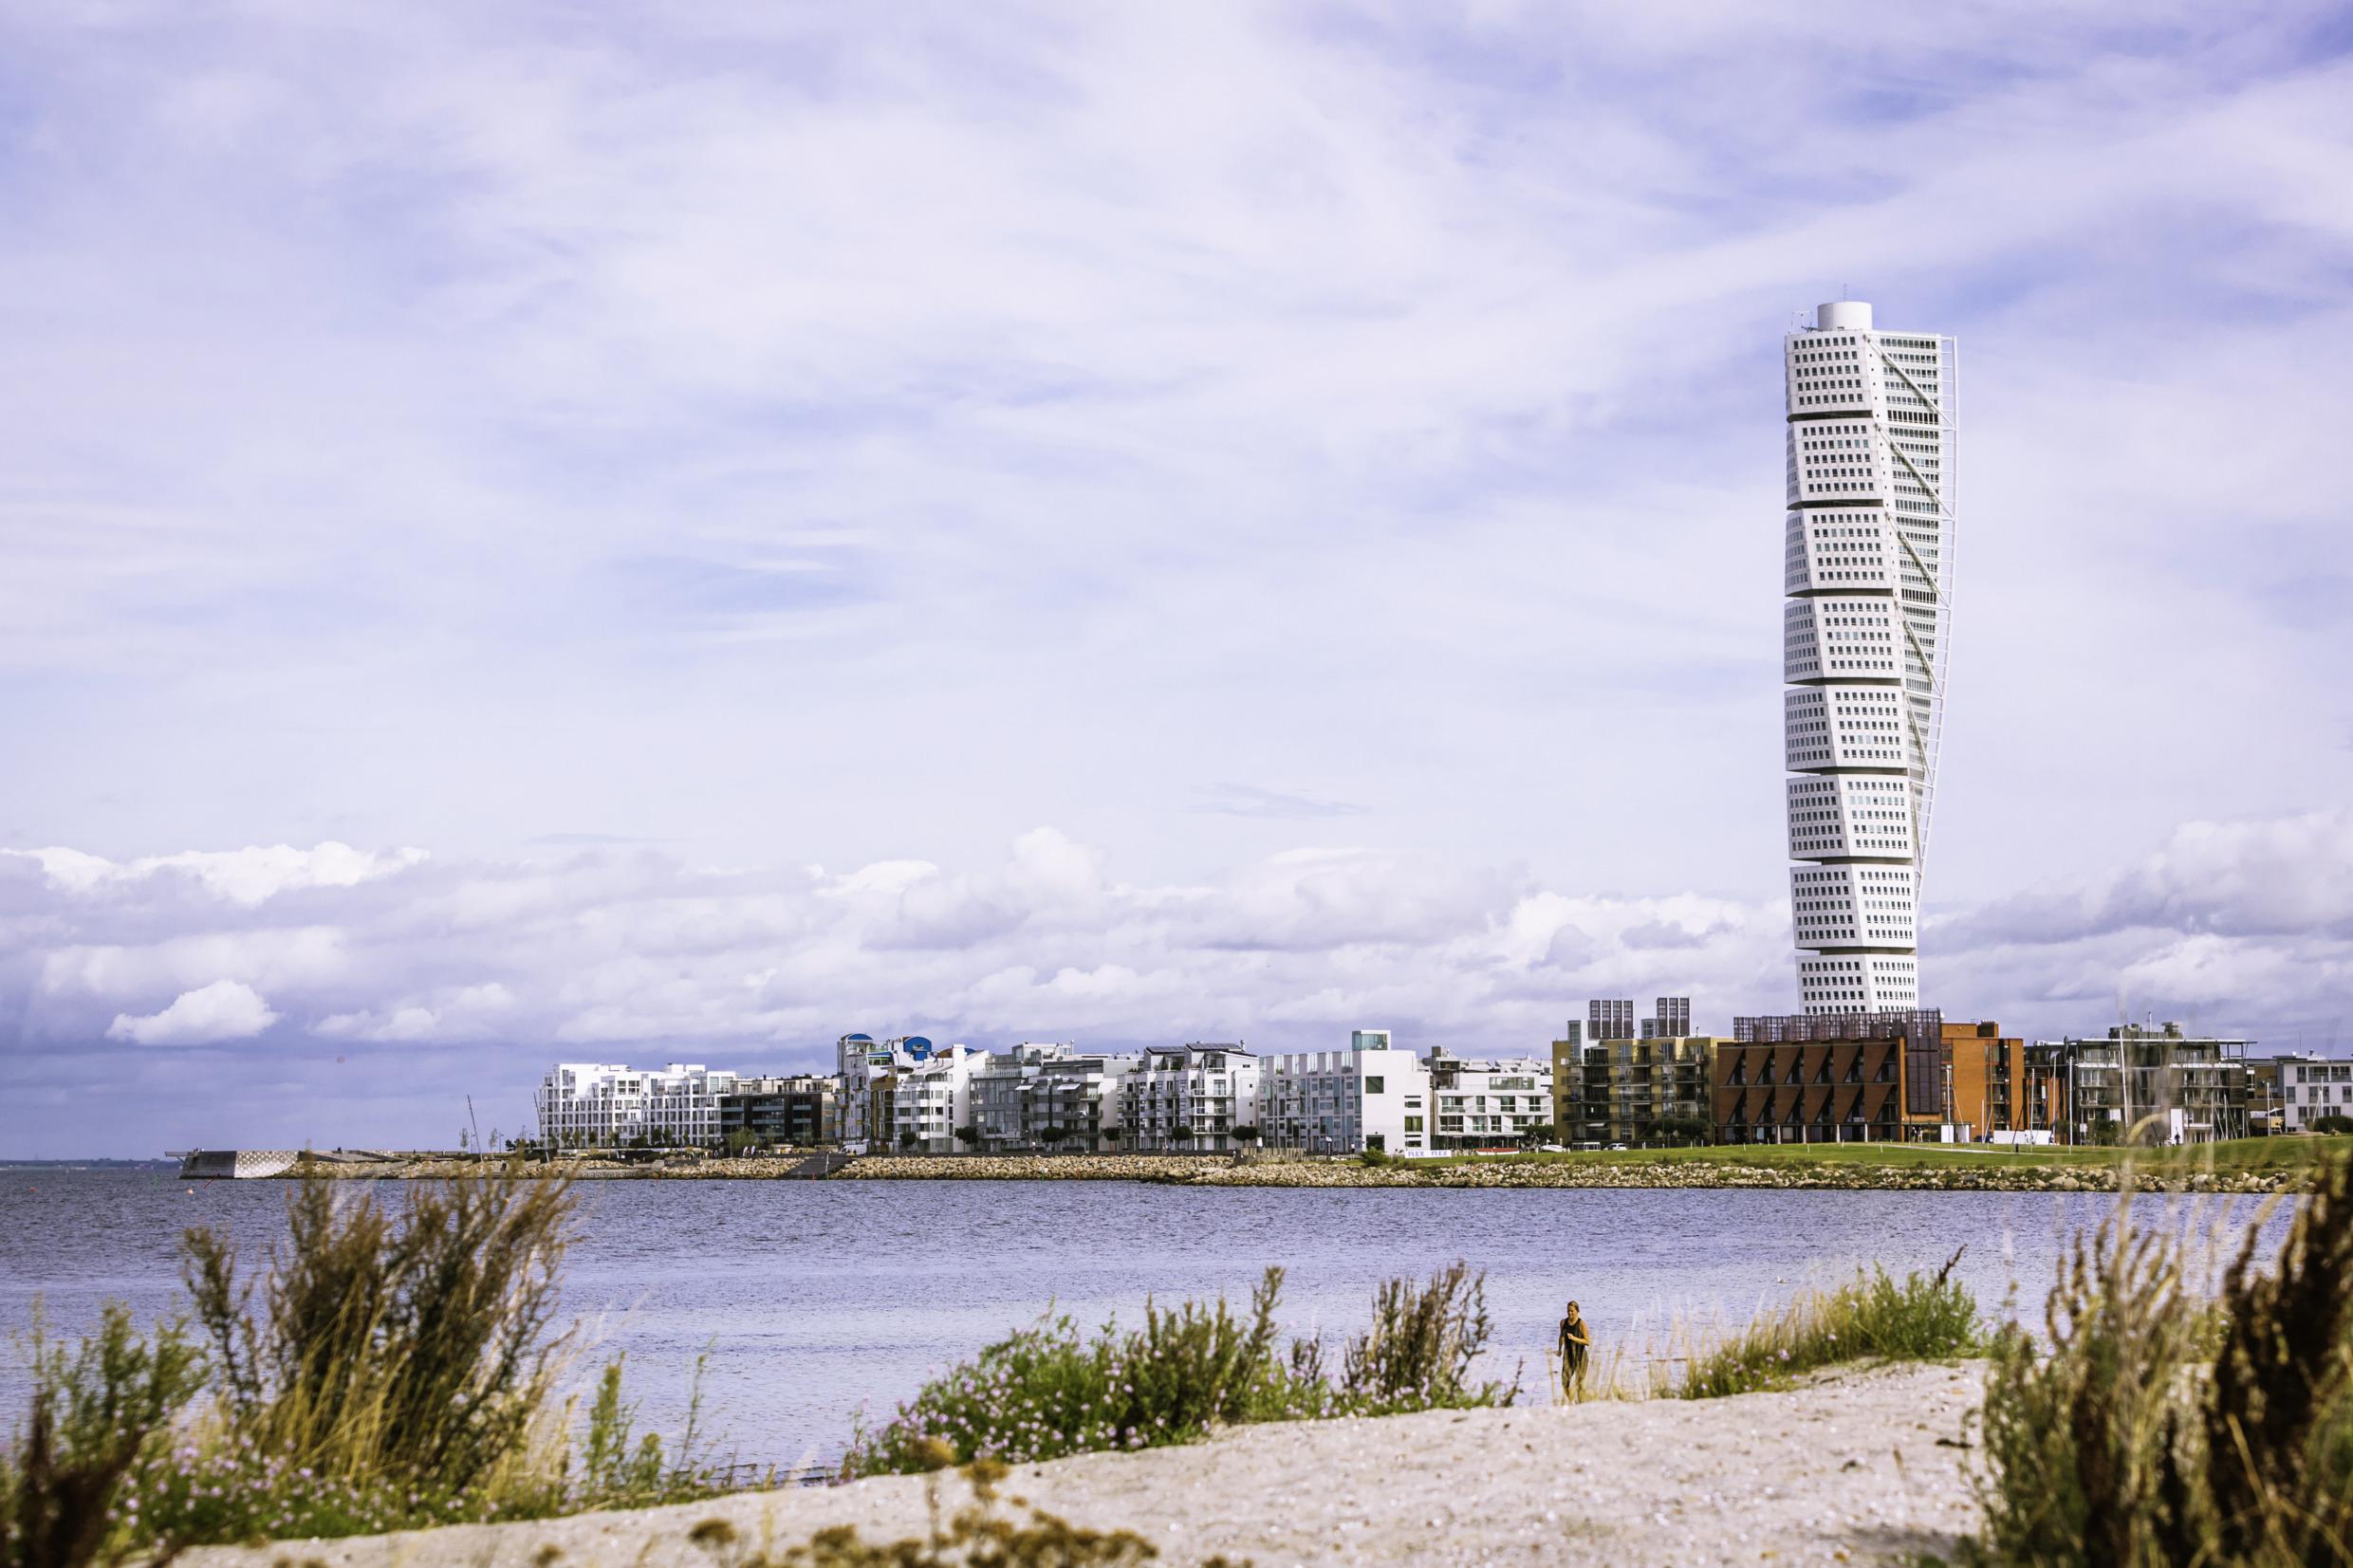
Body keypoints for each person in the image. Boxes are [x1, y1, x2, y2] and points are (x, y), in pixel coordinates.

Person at [1557, 1300, 1591, 1398]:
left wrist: (1574, 1338)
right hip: (1568, 1357)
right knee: (1564, 1383)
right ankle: (1571, 1401)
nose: (1570, 1313)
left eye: (1572, 1311)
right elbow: (1561, 1337)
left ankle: (1582, 1404)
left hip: (1581, 1358)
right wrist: (1559, 1349)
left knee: (1579, 1384)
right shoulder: (1563, 1322)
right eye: (1568, 1311)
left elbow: (1588, 1342)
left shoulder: (1581, 1323)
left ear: (1577, 1311)